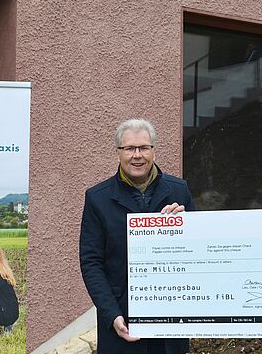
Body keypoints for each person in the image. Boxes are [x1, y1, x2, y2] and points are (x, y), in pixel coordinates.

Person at [80, 118, 195, 354]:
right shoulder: (97, 198)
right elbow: (91, 262)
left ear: (153, 150)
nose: (137, 155)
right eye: (129, 148)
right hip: (122, 321)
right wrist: (111, 314)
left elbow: (197, 251)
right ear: (118, 153)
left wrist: (186, 225)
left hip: (170, 321)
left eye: (143, 147)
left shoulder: (178, 190)